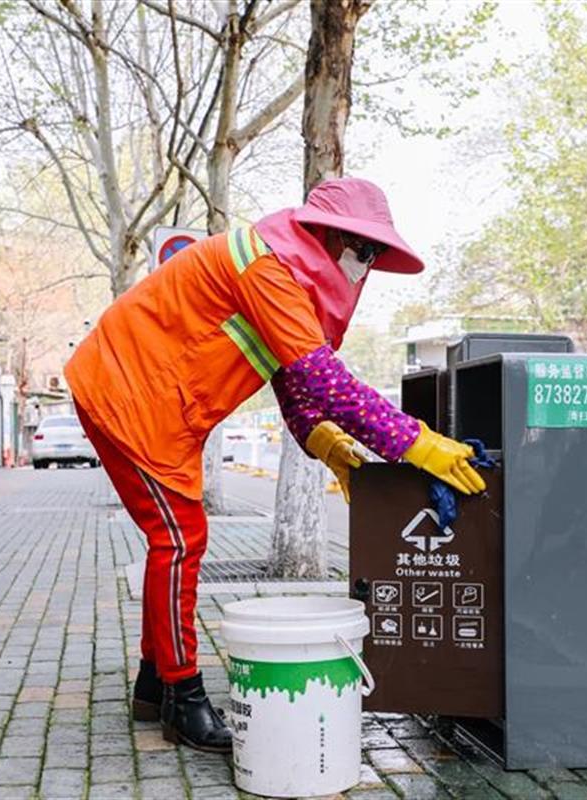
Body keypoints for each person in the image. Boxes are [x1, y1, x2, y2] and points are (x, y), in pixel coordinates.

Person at [64, 177, 486, 752]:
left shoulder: (281, 274)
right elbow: (322, 380)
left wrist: (327, 444)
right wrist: (417, 443)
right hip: (131, 397)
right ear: (331, 237)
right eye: (362, 251)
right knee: (180, 541)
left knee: (176, 541)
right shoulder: (269, 268)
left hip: (144, 398)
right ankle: (182, 698)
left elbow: (294, 387)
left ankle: (155, 683)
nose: (364, 267)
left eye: (372, 257)